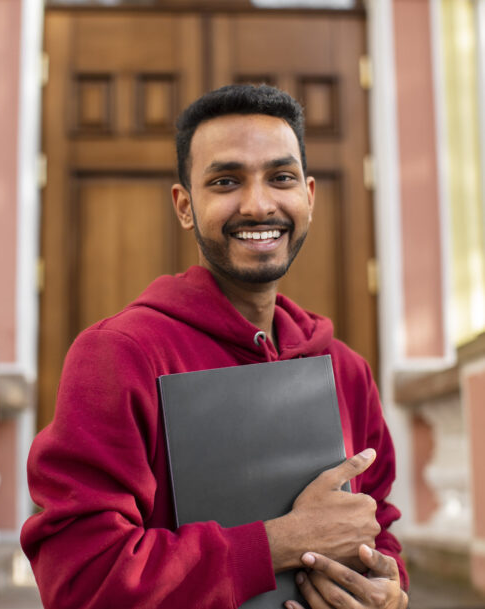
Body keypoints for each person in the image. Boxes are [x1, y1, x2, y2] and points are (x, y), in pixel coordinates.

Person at [21, 84, 409, 609]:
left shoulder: (345, 369)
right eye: (226, 181)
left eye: (281, 178)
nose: (257, 204)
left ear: (309, 197)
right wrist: (281, 543)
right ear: (185, 206)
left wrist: (388, 589)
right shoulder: (120, 355)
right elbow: (81, 580)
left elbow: (377, 524)